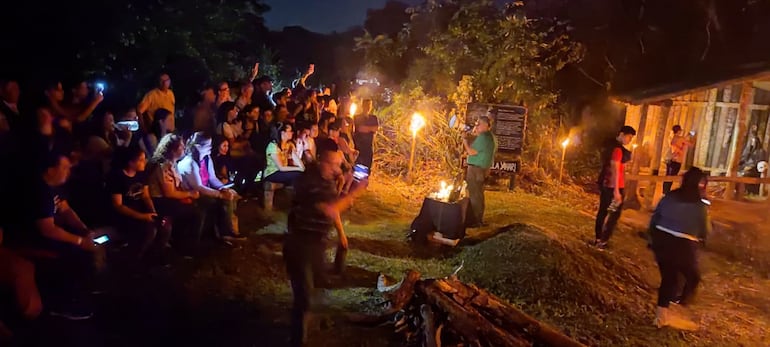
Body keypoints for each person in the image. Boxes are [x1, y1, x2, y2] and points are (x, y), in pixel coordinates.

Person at [284, 139, 368, 347]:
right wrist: (356, 190)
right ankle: (297, 339)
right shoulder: (309, 181)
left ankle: (311, 320)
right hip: (299, 244)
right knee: (303, 294)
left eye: (341, 165)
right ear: (324, 163)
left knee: (318, 284)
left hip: (316, 244)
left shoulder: (327, 179)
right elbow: (330, 209)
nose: (339, 169)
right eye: (336, 165)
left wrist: (341, 235)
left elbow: (332, 208)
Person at [649, 167, 709, 331]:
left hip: (661, 240)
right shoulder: (699, 205)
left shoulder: (670, 196)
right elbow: (704, 229)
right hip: (683, 244)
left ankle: (662, 316)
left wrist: (652, 237)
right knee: (693, 277)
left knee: (669, 279)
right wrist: (701, 238)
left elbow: (655, 217)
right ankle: (679, 304)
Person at [178, 132, 244, 243]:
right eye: (207, 145)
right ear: (198, 147)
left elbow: (212, 178)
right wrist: (220, 194)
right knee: (221, 201)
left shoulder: (206, 158)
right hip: (194, 194)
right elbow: (199, 187)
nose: (210, 148)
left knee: (230, 194)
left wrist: (223, 188)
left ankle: (226, 232)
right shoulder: (189, 163)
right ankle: (225, 233)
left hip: (206, 191)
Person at [106, 147, 170, 262]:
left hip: (141, 210)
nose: (144, 162)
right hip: (126, 215)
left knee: (164, 224)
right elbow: (118, 205)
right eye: (140, 160)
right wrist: (142, 216)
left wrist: (153, 212)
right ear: (131, 163)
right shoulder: (117, 177)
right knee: (149, 230)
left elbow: (145, 196)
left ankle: (156, 256)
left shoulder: (142, 174)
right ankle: (134, 259)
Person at [594, 125, 636, 249]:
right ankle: (602, 240)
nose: (630, 140)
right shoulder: (617, 150)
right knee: (612, 213)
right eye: (629, 137)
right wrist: (617, 191)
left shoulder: (611, 146)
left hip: (608, 186)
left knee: (606, 211)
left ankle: (599, 238)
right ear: (622, 134)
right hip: (613, 187)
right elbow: (615, 170)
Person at [463, 116, 497, 228]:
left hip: (476, 169)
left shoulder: (483, 137)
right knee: (479, 195)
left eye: (479, 124)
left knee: (475, 195)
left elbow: (471, 152)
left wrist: (465, 141)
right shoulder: (491, 137)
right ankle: (478, 219)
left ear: (486, 125)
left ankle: (476, 221)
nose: (477, 126)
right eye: (477, 124)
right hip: (483, 169)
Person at [663, 125, 694, 194]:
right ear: (679, 131)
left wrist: (686, 137)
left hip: (670, 160)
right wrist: (691, 138)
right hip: (676, 160)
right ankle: (666, 192)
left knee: (668, 176)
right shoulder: (680, 139)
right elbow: (691, 145)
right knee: (672, 177)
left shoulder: (671, 138)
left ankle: (665, 192)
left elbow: (678, 142)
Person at [352, 99, 379, 169]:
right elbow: (360, 128)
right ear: (362, 106)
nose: (368, 107)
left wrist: (366, 129)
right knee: (358, 167)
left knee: (367, 167)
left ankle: (365, 179)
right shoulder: (357, 117)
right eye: (366, 105)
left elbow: (376, 128)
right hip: (359, 146)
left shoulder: (373, 118)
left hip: (369, 146)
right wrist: (370, 128)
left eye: (369, 105)